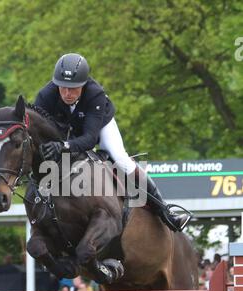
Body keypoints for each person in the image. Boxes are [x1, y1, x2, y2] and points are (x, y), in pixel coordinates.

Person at [35, 53, 190, 232]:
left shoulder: (95, 94)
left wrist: (64, 146)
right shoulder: (45, 96)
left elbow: (90, 139)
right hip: (67, 128)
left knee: (121, 159)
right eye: (63, 88)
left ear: (83, 85)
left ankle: (166, 212)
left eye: (74, 88)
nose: (67, 93)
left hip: (99, 126)